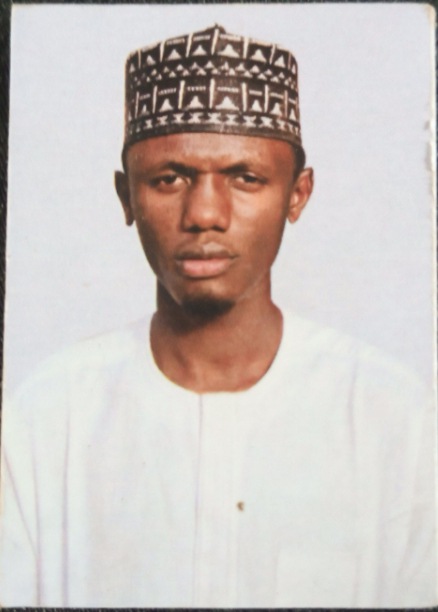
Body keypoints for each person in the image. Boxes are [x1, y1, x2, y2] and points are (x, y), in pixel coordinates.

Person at [0, 24, 436, 608]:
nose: (205, 213)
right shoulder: (44, 424)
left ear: (298, 194)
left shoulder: (395, 422)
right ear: (127, 196)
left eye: (245, 178)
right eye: (169, 179)